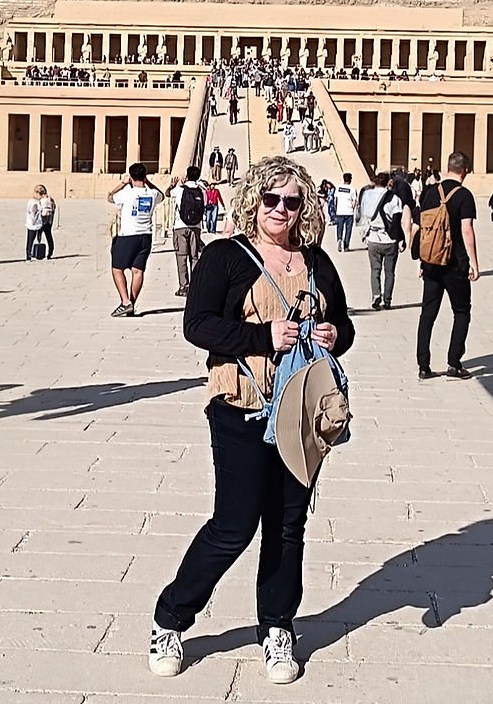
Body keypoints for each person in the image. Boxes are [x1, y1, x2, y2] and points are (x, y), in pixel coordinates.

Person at [149, 155, 355, 683]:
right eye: (271, 199)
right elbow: (197, 325)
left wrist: (334, 335)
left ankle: (278, 628)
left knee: (288, 526)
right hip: (240, 405)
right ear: (254, 201)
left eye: (291, 201)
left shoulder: (317, 262)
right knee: (233, 525)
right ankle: (171, 617)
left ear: (304, 205)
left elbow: (345, 327)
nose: (280, 211)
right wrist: (262, 338)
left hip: (299, 414)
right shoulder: (225, 256)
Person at [416, 151, 480, 380]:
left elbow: (422, 229)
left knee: (427, 315)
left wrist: (422, 260)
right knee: (461, 312)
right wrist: (474, 262)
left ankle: (423, 366)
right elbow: (466, 230)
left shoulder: (430, 192)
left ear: (447, 167)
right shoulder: (464, 196)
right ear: (465, 170)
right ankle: (454, 363)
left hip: (432, 263)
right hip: (455, 265)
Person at [109, 163, 165, 316]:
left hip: (128, 235)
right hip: (145, 236)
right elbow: (162, 194)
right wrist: (147, 182)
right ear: (144, 176)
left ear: (131, 177)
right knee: (138, 271)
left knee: (117, 269)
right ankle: (131, 304)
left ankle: (125, 301)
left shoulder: (127, 192)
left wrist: (122, 183)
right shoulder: (152, 194)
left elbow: (110, 197)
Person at [360, 172, 412, 310]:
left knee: (374, 270)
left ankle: (376, 295)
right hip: (389, 239)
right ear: (388, 182)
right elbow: (397, 221)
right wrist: (401, 239)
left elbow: (362, 218)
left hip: (373, 238)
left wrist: (364, 236)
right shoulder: (394, 198)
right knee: (389, 272)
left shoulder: (366, 196)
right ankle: (387, 300)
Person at [169, 167, 205, 298]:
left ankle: (184, 286)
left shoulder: (180, 190)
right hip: (196, 226)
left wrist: (173, 185)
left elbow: (168, 194)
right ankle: (195, 285)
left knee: (181, 257)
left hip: (180, 226)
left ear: (187, 175)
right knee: (194, 257)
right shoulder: (202, 191)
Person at [333, 173, 357, 252]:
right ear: (350, 179)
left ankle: (339, 239)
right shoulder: (352, 189)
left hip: (340, 211)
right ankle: (346, 246)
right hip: (349, 211)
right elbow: (354, 201)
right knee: (348, 229)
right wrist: (352, 209)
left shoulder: (338, 188)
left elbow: (335, 200)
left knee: (340, 227)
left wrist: (336, 208)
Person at [38, 186, 56, 259]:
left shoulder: (43, 200)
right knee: (48, 235)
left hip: (44, 217)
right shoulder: (50, 199)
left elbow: (40, 209)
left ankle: (38, 250)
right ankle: (50, 252)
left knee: (39, 232)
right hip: (50, 217)